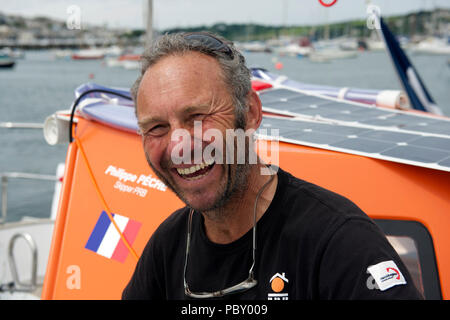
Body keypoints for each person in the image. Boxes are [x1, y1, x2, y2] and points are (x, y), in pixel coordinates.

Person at [122, 32, 423, 300]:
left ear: (251, 113)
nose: (178, 146)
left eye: (198, 116)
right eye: (157, 127)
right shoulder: (168, 247)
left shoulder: (339, 243)